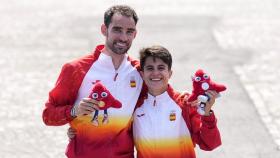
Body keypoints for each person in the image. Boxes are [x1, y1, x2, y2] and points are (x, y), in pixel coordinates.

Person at [68, 45, 222, 158]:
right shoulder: (134, 106)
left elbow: (210, 144)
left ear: (170, 73)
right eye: (150, 68)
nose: (155, 73)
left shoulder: (185, 104)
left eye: (161, 68)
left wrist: (207, 115)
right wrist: (79, 131)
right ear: (142, 74)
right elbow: (114, 129)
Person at [42, 5, 145, 158]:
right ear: (104, 29)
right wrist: (74, 111)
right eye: (117, 30)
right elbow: (48, 115)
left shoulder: (140, 71)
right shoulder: (76, 69)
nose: (123, 37)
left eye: (129, 32)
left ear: (135, 34)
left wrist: (187, 99)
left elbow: (162, 101)